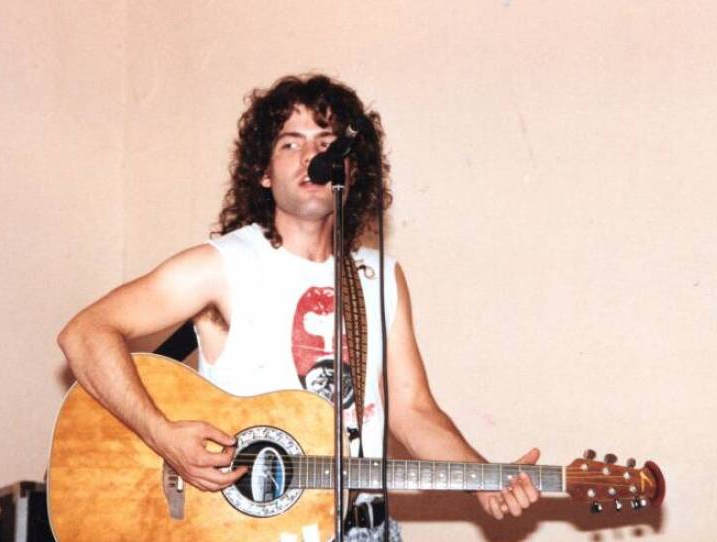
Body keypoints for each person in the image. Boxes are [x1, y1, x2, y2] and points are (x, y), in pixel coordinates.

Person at [58, 74, 540, 541]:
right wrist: (161, 434)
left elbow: (412, 411)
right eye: (291, 143)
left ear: (350, 166)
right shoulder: (223, 265)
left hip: (364, 529)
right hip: (246, 530)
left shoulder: (379, 278)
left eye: (327, 142)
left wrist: (482, 474)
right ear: (264, 173)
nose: (312, 155)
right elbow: (86, 333)